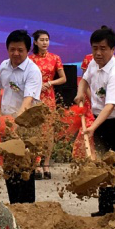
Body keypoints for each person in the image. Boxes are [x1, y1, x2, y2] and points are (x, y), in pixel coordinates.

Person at [78, 26, 115, 217]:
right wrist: (79, 94)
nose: (98, 53)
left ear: (112, 50)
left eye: (103, 48)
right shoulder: (94, 64)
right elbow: (84, 80)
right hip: (101, 120)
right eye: (95, 48)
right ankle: (104, 209)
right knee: (103, 166)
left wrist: (93, 126)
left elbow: (110, 105)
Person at [0, 29, 42, 204]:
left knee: (25, 166)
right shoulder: (4, 66)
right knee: (10, 166)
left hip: (26, 125)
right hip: (7, 122)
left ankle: (27, 207)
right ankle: (14, 205)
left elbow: (28, 100)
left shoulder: (32, 71)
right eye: (12, 49)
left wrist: (16, 124)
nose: (16, 53)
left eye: (20, 50)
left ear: (28, 50)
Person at [29, 30, 65, 179]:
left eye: (47, 40)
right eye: (42, 40)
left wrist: (50, 82)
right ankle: (36, 163)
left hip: (49, 98)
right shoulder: (30, 59)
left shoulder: (55, 58)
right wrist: (37, 85)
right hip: (34, 98)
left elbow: (63, 79)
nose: (45, 42)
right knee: (36, 130)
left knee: (48, 132)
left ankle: (46, 164)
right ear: (35, 42)